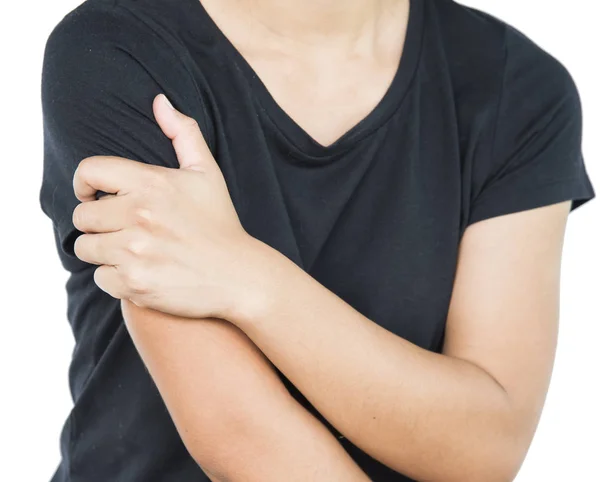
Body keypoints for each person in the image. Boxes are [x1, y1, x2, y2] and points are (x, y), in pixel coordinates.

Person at [39, 0, 596, 480]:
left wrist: (248, 277)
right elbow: (241, 440)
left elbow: (485, 445)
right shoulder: (116, 51)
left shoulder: (518, 90)